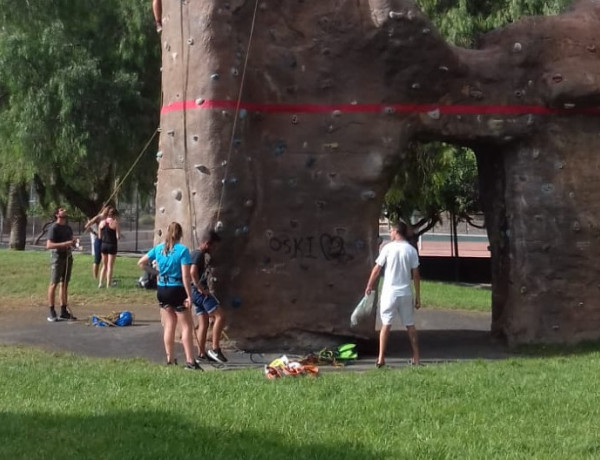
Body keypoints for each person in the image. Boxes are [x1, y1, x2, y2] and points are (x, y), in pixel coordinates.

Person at [137, 222, 201, 370]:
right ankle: (191, 361)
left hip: (162, 290)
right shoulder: (182, 251)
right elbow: (186, 276)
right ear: (180, 234)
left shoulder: (159, 249)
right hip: (177, 289)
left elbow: (141, 263)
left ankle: (170, 359)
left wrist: (157, 273)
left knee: (169, 324)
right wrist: (189, 296)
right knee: (186, 326)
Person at [365, 221, 421, 367]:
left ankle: (381, 358)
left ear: (396, 231)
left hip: (389, 292)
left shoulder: (388, 248)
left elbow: (377, 268)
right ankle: (416, 357)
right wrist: (418, 296)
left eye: (391, 231)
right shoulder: (411, 250)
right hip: (405, 293)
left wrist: (370, 285)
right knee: (410, 325)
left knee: (386, 324)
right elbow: (415, 274)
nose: (390, 233)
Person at [190, 230, 227, 364]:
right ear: (207, 244)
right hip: (199, 293)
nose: (215, 249)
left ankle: (201, 353)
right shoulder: (199, 254)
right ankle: (215, 349)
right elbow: (192, 272)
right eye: (214, 246)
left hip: (195, 293)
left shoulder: (197, 254)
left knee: (204, 323)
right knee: (220, 316)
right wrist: (201, 288)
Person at [46, 207, 78, 322]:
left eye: (64, 209)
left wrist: (74, 243)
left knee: (64, 284)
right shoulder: (54, 227)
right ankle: (51, 312)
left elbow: (71, 242)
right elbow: (49, 245)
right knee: (53, 283)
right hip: (57, 258)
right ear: (56, 214)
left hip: (68, 257)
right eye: (61, 209)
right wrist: (65, 243)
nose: (64, 210)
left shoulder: (68, 228)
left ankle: (63, 311)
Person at [83, 205, 109, 280]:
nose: (107, 212)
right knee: (97, 259)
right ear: (103, 209)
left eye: (108, 210)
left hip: (106, 240)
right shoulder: (98, 217)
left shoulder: (108, 218)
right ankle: (95, 277)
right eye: (106, 210)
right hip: (99, 240)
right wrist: (94, 233)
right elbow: (87, 226)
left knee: (106, 260)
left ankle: (104, 276)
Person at [98, 207, 120, 288]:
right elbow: (118, 236)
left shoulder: (101, 223)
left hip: (103, 245)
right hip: (112, 244)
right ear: (114, 215)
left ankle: (100, 283)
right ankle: (108, 284)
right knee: (110, 266)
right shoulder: (115, 222)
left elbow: (99, 236)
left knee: (104, 265)